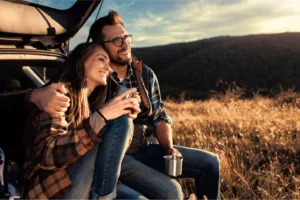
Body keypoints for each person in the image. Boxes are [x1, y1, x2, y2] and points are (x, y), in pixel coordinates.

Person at [28, 10, 221, 199]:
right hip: (104, 156)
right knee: (170, 191)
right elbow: (53, 92)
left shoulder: (144, 74)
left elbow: (159, 116)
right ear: (98, 48)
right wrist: (34, 94)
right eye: (116, 41)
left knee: (208, 165)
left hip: (144, 147)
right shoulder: (92, 84)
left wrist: (169, 148)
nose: (125, 44)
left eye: (126, 37)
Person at [21, 42, 142, 199]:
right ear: (81, 61)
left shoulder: (91, 102)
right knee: (119, 121)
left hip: (86, 182)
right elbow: (47, 156)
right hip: (51, 188)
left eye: (108, 63)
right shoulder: (60, 95)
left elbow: (110, 153)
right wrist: (102, 117)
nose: (108, 68)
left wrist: (126, 118)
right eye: (101, 59)